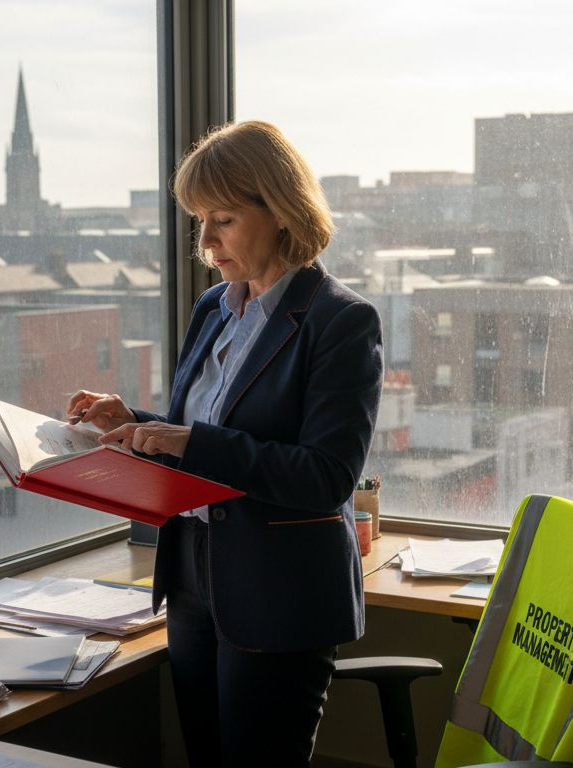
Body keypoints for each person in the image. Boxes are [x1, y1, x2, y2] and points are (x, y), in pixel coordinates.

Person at [66, 120, 383, 767]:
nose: (205, 241)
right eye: (198, 221)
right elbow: (207, 429)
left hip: (278, 587)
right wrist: (133, 418)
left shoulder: (340, 322)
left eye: (223, 220)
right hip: (193, 576)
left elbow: (326, 475)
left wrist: (185, 440)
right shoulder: (214, 307)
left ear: (282, 210)